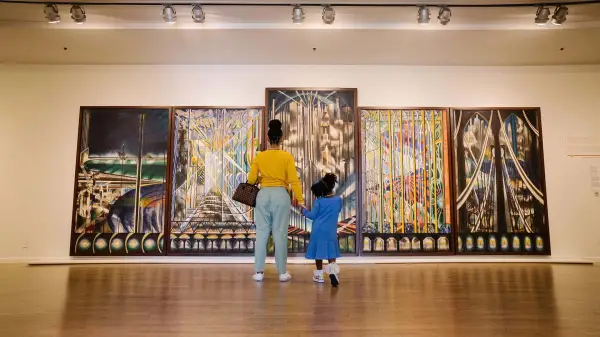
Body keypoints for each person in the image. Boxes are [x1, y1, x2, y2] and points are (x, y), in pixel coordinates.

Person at [247, 119, 305, 282]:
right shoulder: (286, 156)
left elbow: (250, 180)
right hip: (281, 195)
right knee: (280, 233)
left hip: (263, 195)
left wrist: (260, 177)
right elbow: (294, 180)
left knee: (261, 233)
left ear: (267, 138)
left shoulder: (260, 156)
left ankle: (258, 272)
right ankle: (282, 273)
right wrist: (300, 200)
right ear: (281, 139)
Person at [301, 173, 342, 287]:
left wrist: (304, 211)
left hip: (318, 230)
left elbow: (313, 215)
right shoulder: (338, 200)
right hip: (331, 231)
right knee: (331, 252)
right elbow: (337, 211)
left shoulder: (319, 202)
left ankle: (319, 275)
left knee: (318, 253)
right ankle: (333, 272)